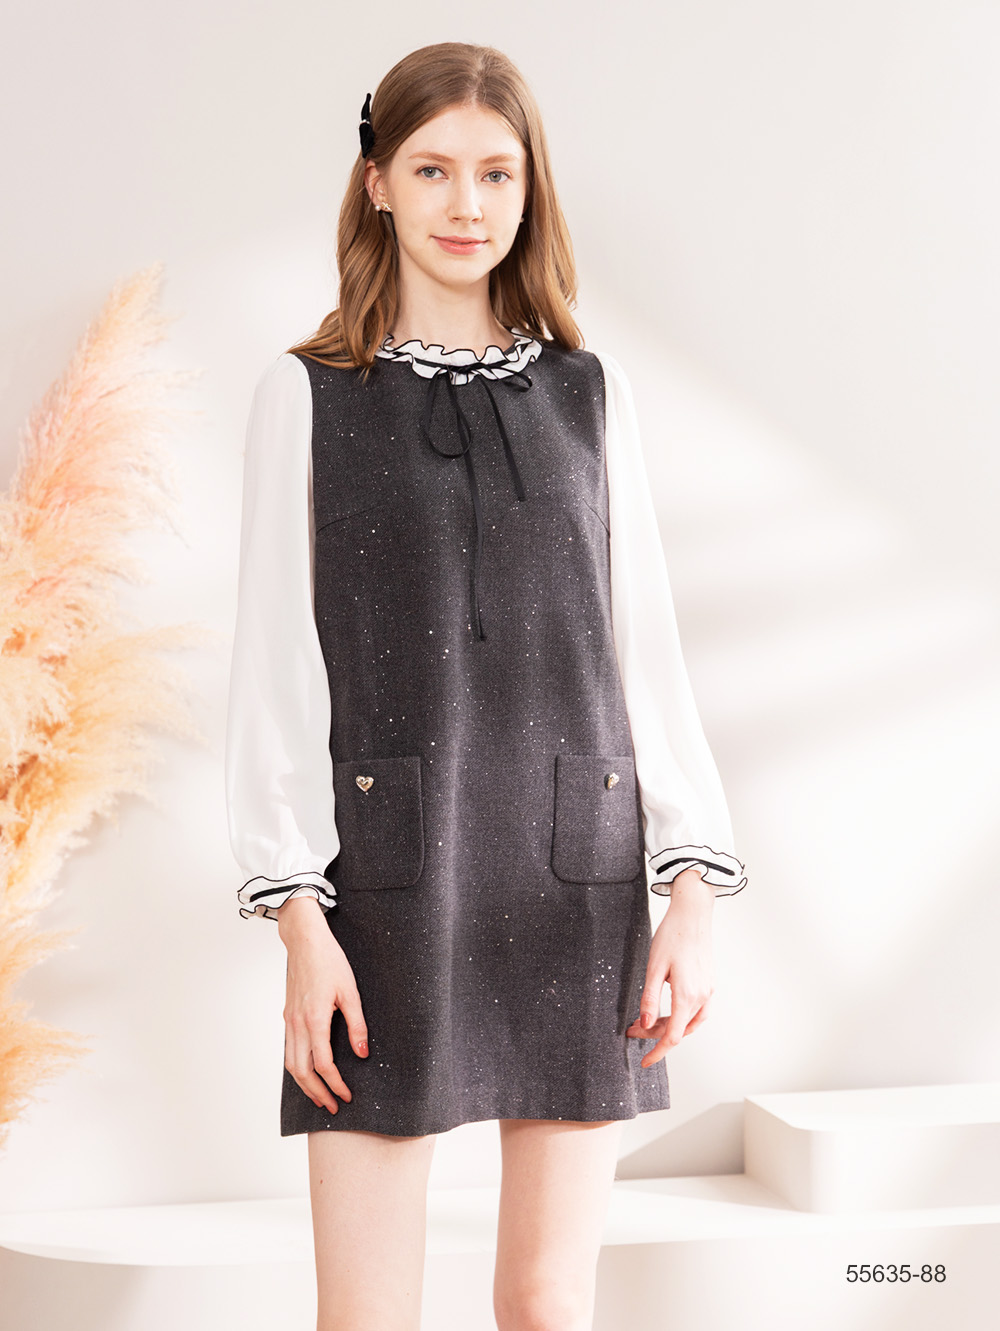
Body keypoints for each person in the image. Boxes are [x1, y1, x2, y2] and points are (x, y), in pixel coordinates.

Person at [225, 41, 747, 1331]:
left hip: (579, 872)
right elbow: (275, 665)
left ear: (530, 188)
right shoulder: (307, 395)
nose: (468, 205)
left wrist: (690, 890)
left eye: (497, 173)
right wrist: (299, 924)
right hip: (384, 876)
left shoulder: (588, 392)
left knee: (548, 1301)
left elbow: (643, 644)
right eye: (434, 170)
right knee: (365, 1315)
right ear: (376, 184)